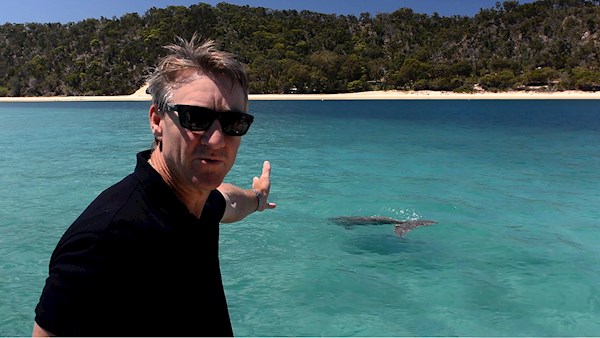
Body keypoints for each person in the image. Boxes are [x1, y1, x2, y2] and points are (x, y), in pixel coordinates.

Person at [32, 35, 276, 337]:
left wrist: (258, 197)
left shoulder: (196, 201)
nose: (216, 141)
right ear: (157, 121)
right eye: (196, 118)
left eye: (233, 123)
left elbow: (229, 201)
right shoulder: (104, 241)